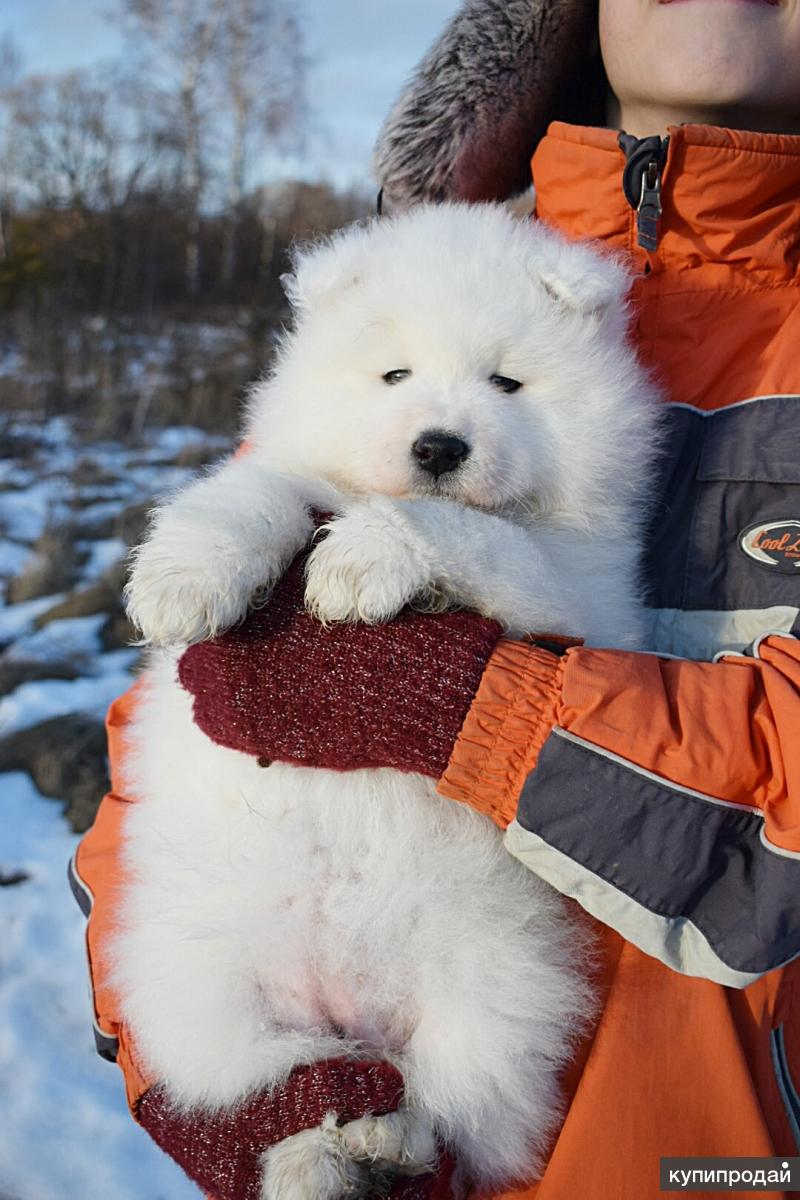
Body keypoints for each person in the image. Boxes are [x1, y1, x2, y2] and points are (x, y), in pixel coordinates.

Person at [70, 0, 800, 1196]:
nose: (447, 417)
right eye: (401, 377)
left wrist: (486, 707)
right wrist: (203, 1074)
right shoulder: (414, 283)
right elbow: (158, 777)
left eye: (508, 383)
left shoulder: (554, 333)